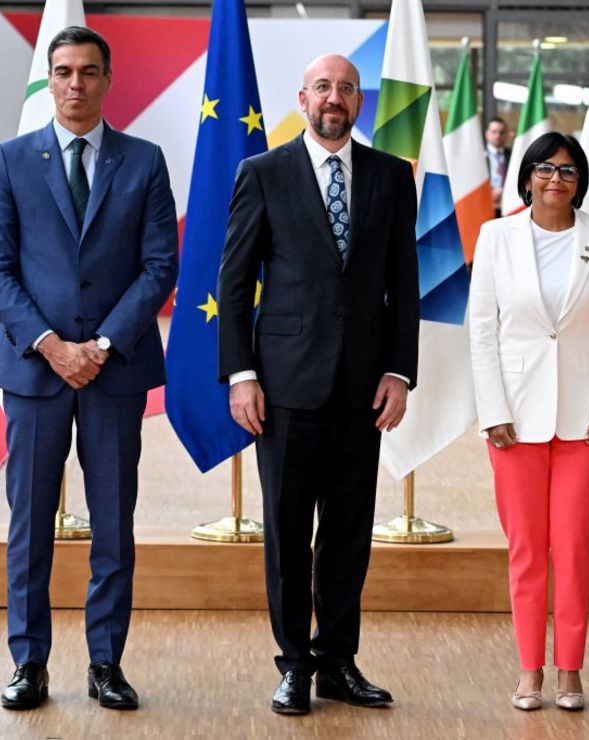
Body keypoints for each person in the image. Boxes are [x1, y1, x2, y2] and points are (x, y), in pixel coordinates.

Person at [0, 26, 179, 711]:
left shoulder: (143, 161)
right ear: (50, 79)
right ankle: (28, 663)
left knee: (113, 523)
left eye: (88, 72)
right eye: (63, 71)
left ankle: (105, 663)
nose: (74, 84)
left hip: (113, 374)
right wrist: (51, 344)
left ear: (107, 79)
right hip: (35, 373)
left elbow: (159, 266)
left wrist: (102, 345)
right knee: (30, 523)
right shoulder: (9, 161)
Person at [216, 53, 420, 716]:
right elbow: (234, 283)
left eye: (347, 88)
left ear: (361, 101)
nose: (335, 98)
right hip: (283, 388)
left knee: (349, 532)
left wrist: (399, 369)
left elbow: (405, 284)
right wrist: (241, 374)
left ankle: (337, 661)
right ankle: (293, 664)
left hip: (364, 389)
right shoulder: (263, 173)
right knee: (285, 532)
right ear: (304, 96)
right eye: (324, 87)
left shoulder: (392, 177)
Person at [469, 132, 589, 712]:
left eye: (567, 170)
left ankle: (571, 670)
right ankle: (530, 669)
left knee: (574, 547)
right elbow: (481, 329)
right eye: (544, 168)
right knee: (528, 549)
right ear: (526, 176)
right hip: (513, 420)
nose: (555, 179)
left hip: (584, 423)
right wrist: (493, 411)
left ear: (580, 179)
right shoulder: (496, 237)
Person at [485, 116, 511, 216]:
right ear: (487, 134)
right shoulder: (477, 155)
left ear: (507, 135)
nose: (498, 135)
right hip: (484, 205)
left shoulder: (513, 155)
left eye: (501, 132)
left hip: (507, 207)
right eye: (494, 132)